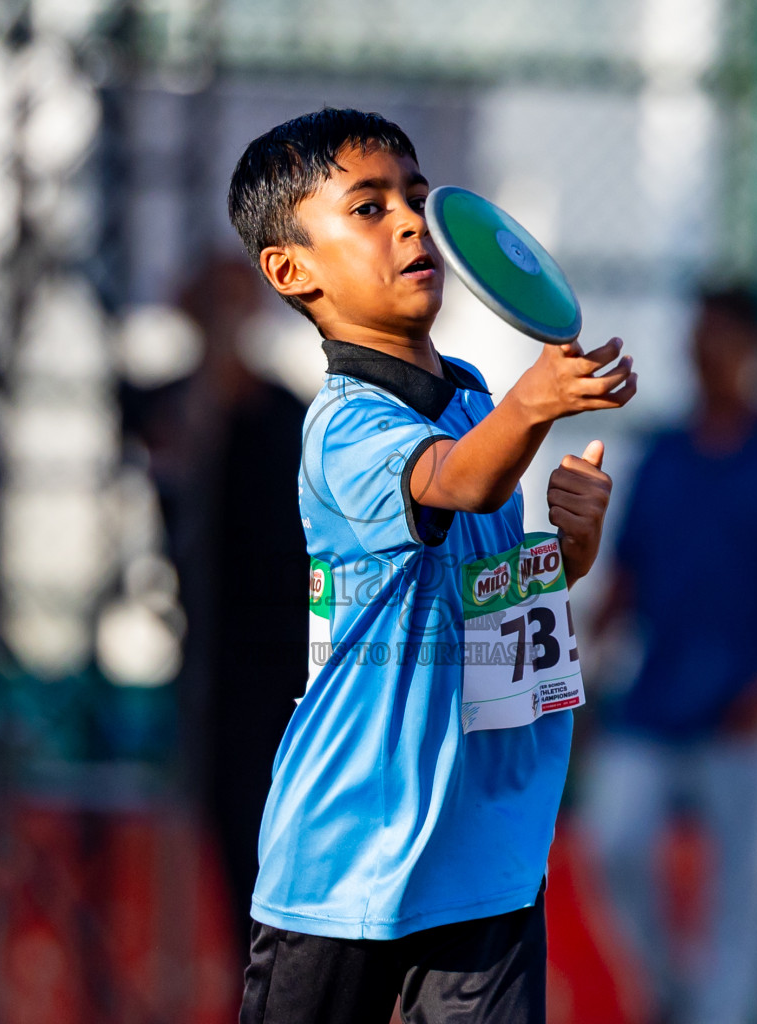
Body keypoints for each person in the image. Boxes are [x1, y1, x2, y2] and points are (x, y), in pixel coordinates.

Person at [226, 108, 636, 1024]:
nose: (412, 222)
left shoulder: (477, 401)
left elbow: (483, 612)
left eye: (413, 198)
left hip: (483, 857)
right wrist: (532, 409)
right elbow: (459, 483)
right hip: (348, 854)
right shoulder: (342, 427)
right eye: (367, 209)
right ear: (291, 271)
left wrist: (562, 560)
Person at [581, 287, 757, 1024]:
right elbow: (627, 580)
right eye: (697, 338)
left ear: (753, 351)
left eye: (720, 339)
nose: (704, 354)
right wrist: (571, 668)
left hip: (749, 719)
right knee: (611, 843)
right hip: (656, 704)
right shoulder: (666, 456)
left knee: (742, 903)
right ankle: (670, 996)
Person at [118, 255, 310, 957]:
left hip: (284, 659)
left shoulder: (286, 414)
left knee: (282, 836)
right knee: (231, 834)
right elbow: (157, 439)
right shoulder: (169, 406)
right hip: (213, 658)